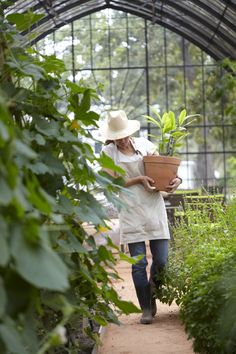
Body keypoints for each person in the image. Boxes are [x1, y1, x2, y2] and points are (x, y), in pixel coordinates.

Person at [100, 110, 182, 324]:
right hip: (130, 210)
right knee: (138, 264)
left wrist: (176, 180)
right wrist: (138, 179)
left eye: (124, 136)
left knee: (162, 260)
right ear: (112, 137)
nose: (122, 140)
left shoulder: (145, 145)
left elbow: (163, 169)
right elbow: (112, 183)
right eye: (118, 138)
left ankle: (153, 293)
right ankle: (146, 308)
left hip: (153, 207)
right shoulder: (107, 152)